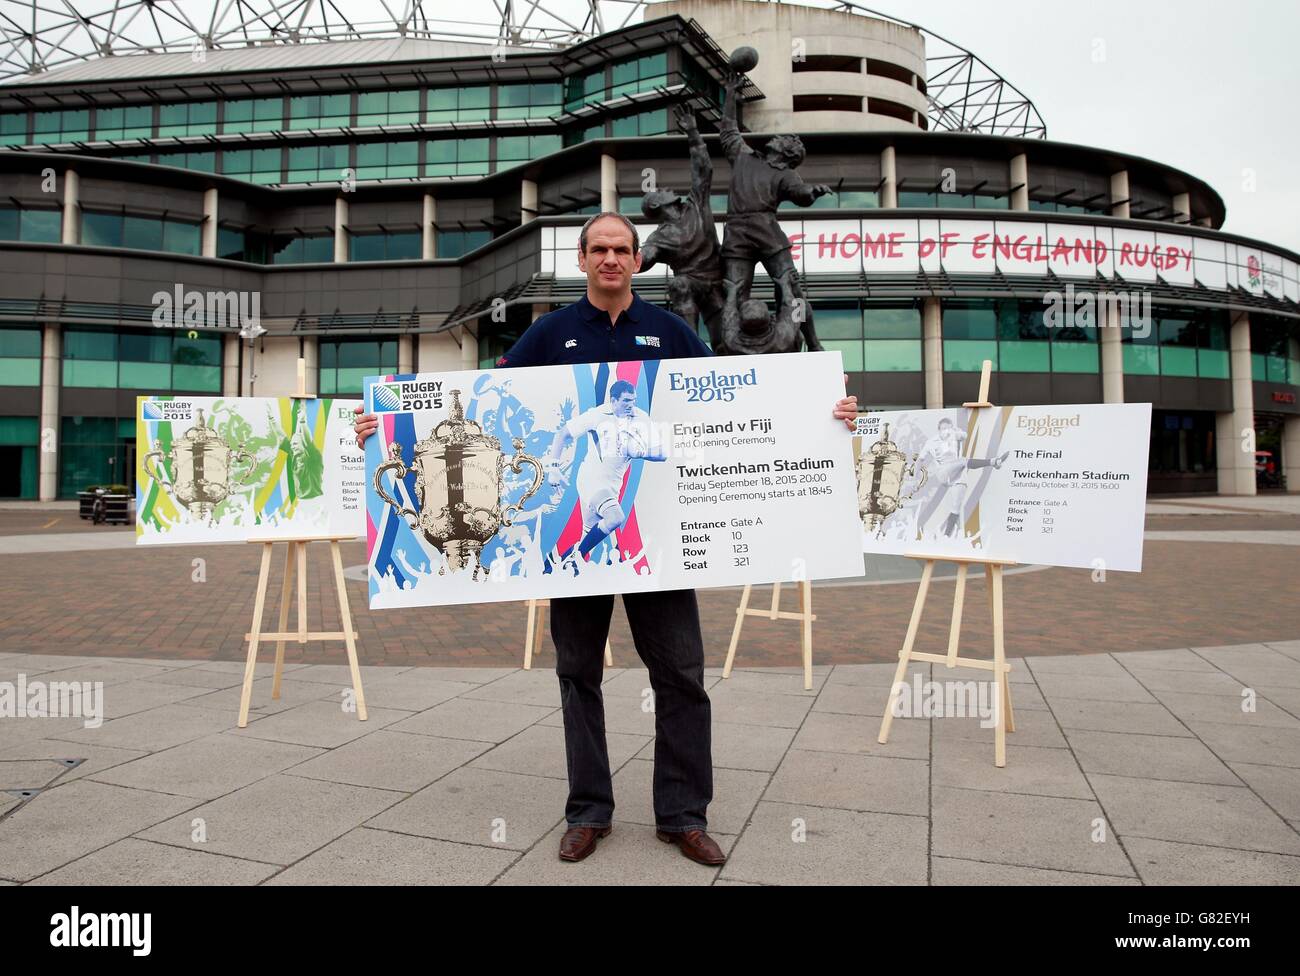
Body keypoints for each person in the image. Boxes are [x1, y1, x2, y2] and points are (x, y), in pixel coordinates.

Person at [355, 211, 859, 865]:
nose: (613, 259)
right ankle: (588, 811)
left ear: (634, 260)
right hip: (576, 549)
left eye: (623, 249)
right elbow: (477, 401)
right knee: (577, 675)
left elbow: (737, 408)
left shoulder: (670, 332)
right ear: (583, 258)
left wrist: (828, 413)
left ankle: (682, 815)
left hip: (662, 544)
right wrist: (386, 425)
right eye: (601, 249)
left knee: (681, 676)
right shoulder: (550, 335)